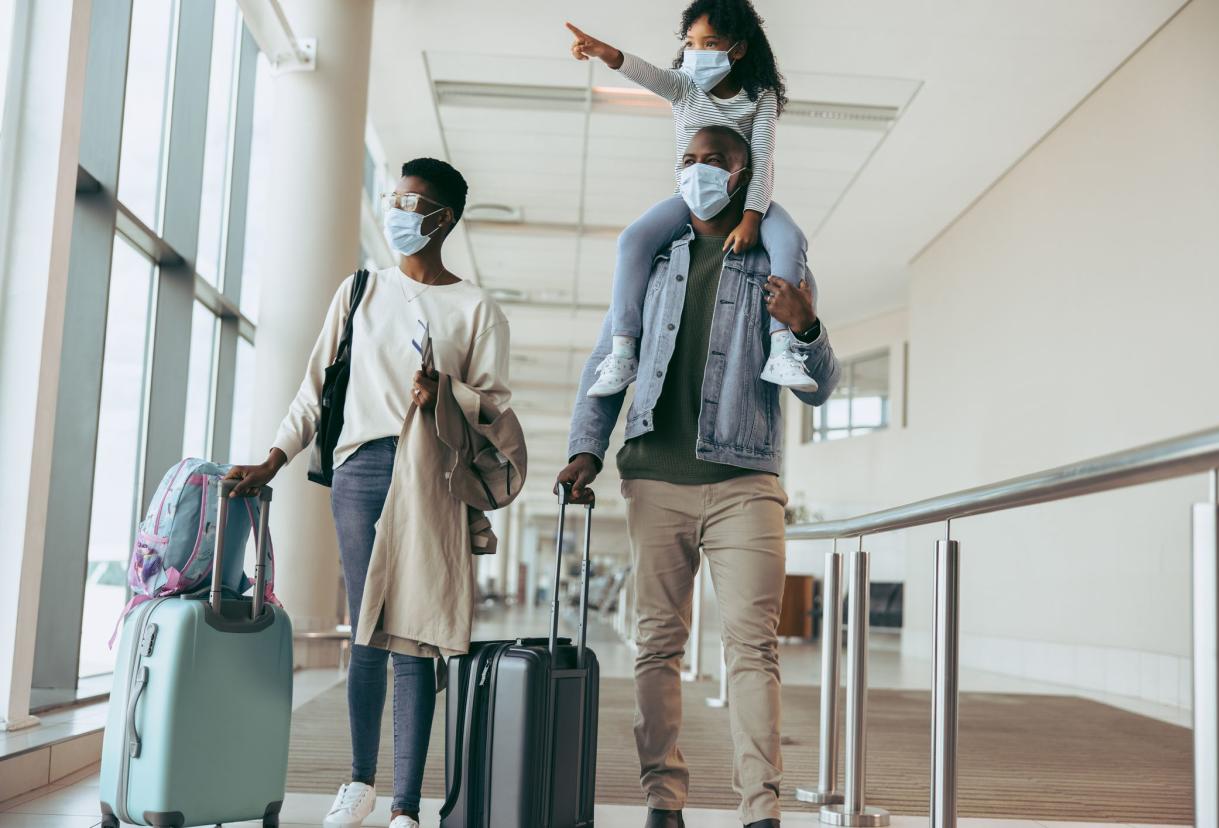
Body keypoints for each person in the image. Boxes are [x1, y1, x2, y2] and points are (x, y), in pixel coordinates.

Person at [556, 125, 840, 828]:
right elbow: (607, 361)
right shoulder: (653, 258)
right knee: (656, 644)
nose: (699, 171)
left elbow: (818, 389)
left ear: (746, 173)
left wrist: (805, 328)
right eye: (688, 160)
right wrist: (585, 450)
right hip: (655, 478)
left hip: (745, 479)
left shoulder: (775, 258)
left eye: (716, 161)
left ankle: (760, 809)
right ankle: (662, 797)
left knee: (751, 646)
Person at [227, 158, 511, 828]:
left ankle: (406, 807)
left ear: (444, 219)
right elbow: (314, 390)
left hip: (433, 477)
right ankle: (359, 783)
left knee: (413, 634)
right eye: (395, 198)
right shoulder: (358, 291)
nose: (398, 213)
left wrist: (446, 393)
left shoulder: (475, 308)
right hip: (359, 471)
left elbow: (495, 410)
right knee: (370, 630)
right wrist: (273, 459)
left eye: (413, 204)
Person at [565, 0, 815, 399]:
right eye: (692, 42)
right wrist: (604, 53)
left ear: (738, 49)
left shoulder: (759, 96)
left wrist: (752, 217)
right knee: (633, 240)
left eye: (710, 43)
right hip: (686, 199)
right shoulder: (683, 85)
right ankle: (624, 351)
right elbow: (645, 73)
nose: (697, 52)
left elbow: (763, 157)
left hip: (746, 196)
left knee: (789, 241)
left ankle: (783, 349)